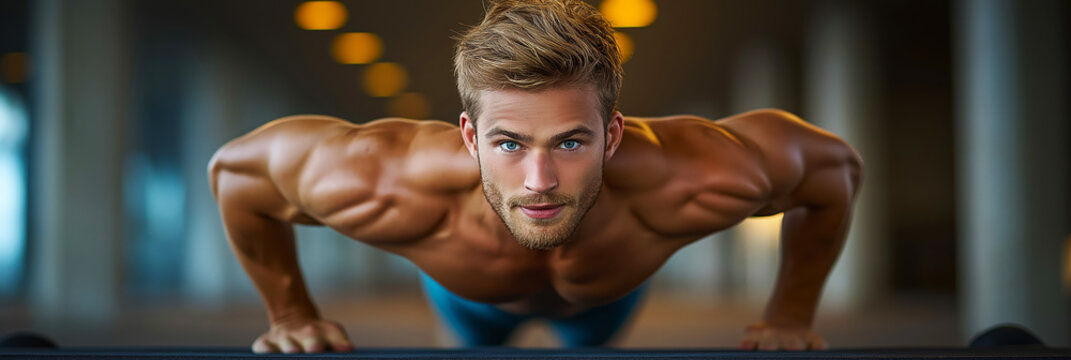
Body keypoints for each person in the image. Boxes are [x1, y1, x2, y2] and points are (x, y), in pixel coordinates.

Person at [208, 0, 862, 354]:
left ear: (611, 134)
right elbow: (237, 176)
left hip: (604, 306)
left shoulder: (691, 175)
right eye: (509, 143)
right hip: (466, 306)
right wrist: (289, 311)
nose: (539, 179)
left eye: (571, 141)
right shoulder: (385, 182)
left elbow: (833, 172)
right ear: (469, 137)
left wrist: (789, 313)